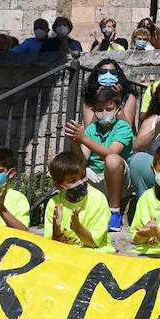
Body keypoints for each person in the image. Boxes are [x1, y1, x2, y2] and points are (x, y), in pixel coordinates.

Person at [65, 87, 133, 231]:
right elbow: (82, 163)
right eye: (100, 110)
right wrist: (76, 144)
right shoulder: (91, 129)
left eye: (108, 109)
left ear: (118, 110)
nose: (104, 114)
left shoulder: (124, 127)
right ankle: (69, 211)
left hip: (120, 181)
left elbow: (111, 153)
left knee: (112, 160)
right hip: (95, 178)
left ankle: (114, 212)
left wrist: (84, 138)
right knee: (59, 162)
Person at [42, 149, 112, 253]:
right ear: (59, 186)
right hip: (66, 256)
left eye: (83, 176)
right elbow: (52, 246)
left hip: (94, 254)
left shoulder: (98, 199)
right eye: (72, 181)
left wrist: (77, 227)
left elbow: (93, 244)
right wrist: (56, 229)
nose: (80, 182)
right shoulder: (54, 204)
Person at [80, 58, 139, 129]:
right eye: (103, 72)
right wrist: (97, 101)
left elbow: (127, 126)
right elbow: (89, 128)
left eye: (113, 72)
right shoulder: (90, 98)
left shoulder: (128, 97)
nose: (108, 75)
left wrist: (118, 100)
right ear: (97, 74)